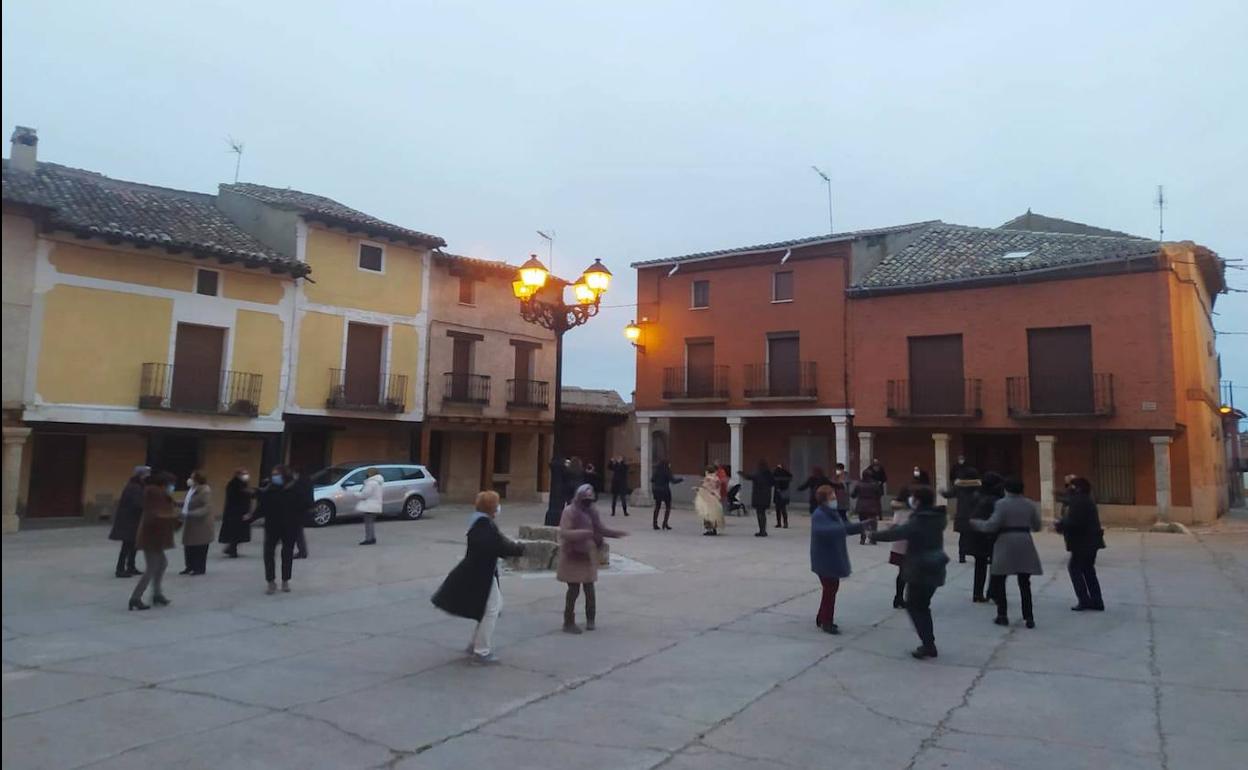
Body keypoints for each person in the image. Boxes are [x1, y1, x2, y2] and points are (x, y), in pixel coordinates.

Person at [431, 490, 526, 664]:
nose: (499, 507)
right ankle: (481, 651)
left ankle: (476, 644)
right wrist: (518, 548)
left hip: (483, 572)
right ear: (491, 507)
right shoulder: (483, 525)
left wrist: (513, 546)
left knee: (491, 608)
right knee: (491, 610)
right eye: (496, 504)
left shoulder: (481, 522)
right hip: (481, 574)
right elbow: (498, 545)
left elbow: (498, 542)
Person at [871, 486, 949, 659]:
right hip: (936, 565)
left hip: (920, 568)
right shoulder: (938, 518)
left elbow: (898, 533)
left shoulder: (919, 521)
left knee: (915, 606)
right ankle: (929, 643)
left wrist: (873, 535)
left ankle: (928, 644)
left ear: (918, 501)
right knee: (922, 606)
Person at [969, 476, 1043, 628]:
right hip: (1024, 540)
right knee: (1024, 582)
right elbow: (1037, 526)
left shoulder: (1001, 504)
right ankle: (1029, 617)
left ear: (1006, 489)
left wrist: (976, 523)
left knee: (1000, 580)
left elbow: (992, 525)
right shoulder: (1030, 504)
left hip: (1005, 541)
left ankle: (1002, 615)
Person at [557, 484, 628, 633]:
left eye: (590, 500)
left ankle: (591, 619)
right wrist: (585, 533)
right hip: (572, 554)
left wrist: (615, 533)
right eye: (585, 500)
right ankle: (568, 621)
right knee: (573, 590)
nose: (588, 503)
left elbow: (599, 528)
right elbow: (565, 533)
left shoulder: (592, 512)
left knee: (590, 589)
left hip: (587, 554)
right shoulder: (569, 511)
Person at [810, 485, 871, 634]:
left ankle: (822, 617)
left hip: (833, 558)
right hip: (824, 559)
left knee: (830, 589)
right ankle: (826, 622)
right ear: (824, 500)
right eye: (831, 497)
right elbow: (823, 531)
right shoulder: (819, 514)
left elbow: (845, 527)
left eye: (834, 497)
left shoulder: (833, 513)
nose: (835, 500)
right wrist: (841, 530)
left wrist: (861, 526)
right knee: (830, 589)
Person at [1055, 477, 1106, 612]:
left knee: (1075, 568)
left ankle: (1084, 599)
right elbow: (1066, 500)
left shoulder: (1080, 502)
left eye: (1071, 486)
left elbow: (1075, 522)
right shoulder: (1085, 500)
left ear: (1077, 488)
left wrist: (1060, 525)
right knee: (1088, 570)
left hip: (1083, 542)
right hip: (1091, 541)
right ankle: (1096, 600)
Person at [247, 466, 300, 594]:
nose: (275, 477)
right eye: (273, 474)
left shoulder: (294, 490)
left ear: (284, 476)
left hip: (289, 526)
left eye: (277, 474)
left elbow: (301, 506)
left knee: (287, 554)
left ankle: (285, 581)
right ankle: (271, 581)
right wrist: (251, 517)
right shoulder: (269, 490)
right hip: (272, 526)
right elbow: (262, 508)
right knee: (268, 554)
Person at [129, 473, 178, 611]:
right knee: (152, 567)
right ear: (164, 484)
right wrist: (173, 516)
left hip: (157, 537)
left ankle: (157, 594)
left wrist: (174, 517)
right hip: (151, 536)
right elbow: (155, 515)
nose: (172, 487)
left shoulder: (162, 495)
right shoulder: (154, 495)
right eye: (171, 484)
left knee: (162, 563)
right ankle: (135, 598)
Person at [966, 472, 1003, 603]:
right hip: (991, 533)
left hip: (976, 532)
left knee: (980, 564)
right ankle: (992, 592)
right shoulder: (996, 500)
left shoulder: (975, 495)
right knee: (996, 564)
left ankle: (977, 593)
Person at [109, 466, 149, 577]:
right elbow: (138, 504)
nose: (147, 477)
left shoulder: (136, 486)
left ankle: (131, 566)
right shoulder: (135, 487)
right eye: (145, 475)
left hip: (133, 520)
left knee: (133, 545)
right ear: (140, 475)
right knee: (127, 546)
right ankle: (120, 569)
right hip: (130, 521)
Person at [179, 471, 215, 576]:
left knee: (199, 547)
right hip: (191, 523)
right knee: (189, 546)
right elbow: (188, 502)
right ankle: (189, 566)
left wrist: (190, 514)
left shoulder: (205, 491)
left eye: (192, 478)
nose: (189, 480)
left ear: (198, 479)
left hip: (201, 524)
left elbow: (206, 507)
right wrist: (177, 503)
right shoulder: (192, 489)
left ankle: (199, 568)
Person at [947, 467, 982, 564]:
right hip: (976, 515)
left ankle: (962, 556)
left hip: (962, 515)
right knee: (976, 537)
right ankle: (977, 555)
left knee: (963, 537)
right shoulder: (979, 486)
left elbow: (948, 494)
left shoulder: (959, 487)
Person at [218, 468, 254, 558]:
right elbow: (235, 498)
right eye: (244, 474)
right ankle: (232, 550)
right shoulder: (233, 485)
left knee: (239, 532)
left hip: (242, 512)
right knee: (234, 532)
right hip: (234, 513)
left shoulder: (243, 484)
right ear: (238, 475)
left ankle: (231, 548)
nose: (246, 476)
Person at [885, 495, 913, 609]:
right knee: (907, 573)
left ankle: (899, 597)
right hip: (908, 546)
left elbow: (893, 527)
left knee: (903, 573)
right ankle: (901, 598)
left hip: (901, 546)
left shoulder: (900, 512)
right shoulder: (912, 513)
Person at [850, 469, 884, 544]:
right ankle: (873, 538)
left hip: (861, 505)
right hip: (872, 505)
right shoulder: (875, 484)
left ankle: (863, 538)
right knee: (873, 523)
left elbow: (853, 495)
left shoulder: (859, 484)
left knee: (862, 522)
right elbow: (879, 494)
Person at [742, 460, 774, 537]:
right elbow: (773, 483)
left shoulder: (758, 474)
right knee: (763, 513)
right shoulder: (769, 474)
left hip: (758, 496)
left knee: (759, 513)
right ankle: (763, 530)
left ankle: (761, 531)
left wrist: (741, 474)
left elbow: (748, 477)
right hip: (767, 496)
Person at [650, 460, 681, 531]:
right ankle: (665, 523)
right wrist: (681, 479)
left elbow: (652, 480)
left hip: (657, 491)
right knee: (668, 507)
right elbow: (673, 481)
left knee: (657, 507)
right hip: (665, 491)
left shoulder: (656, 471)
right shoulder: (667, 471)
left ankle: (655, 524)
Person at [355, 467, 383, 545]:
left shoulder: (371, 483)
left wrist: (356, 494)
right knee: (371, 522)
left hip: (370, 505)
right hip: (375, 505)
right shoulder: (378, 482)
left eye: (367, 472)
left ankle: (369, 539)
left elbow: (365, 494)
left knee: (368, 523)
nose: (366, 474)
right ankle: (372, 537)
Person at [694, 465, 725, 535]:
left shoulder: (708, 479)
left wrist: (697, 489)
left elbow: (705, 488)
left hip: (708, 498)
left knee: (707, 514)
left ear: (707, 471)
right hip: (716, 498)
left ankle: (709, 530)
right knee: (714, 514)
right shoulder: (717, 478)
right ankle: (714, 529)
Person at [290, 467, 312, 558]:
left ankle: (302, 552)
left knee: (298, 532)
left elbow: (298, 496)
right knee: (298, 531)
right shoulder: (307, 481)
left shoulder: (299, 483)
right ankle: (302, 551)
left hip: (298, 510)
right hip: (303, 509)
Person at [772, 463, 794, 529]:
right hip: (784, 492)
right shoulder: (786, 473)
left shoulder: (776, 473)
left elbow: (773, 480)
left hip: (778, 492)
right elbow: (790, 477)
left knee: (778, 509)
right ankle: (785, 523)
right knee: (783, 508)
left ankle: (779, 523)